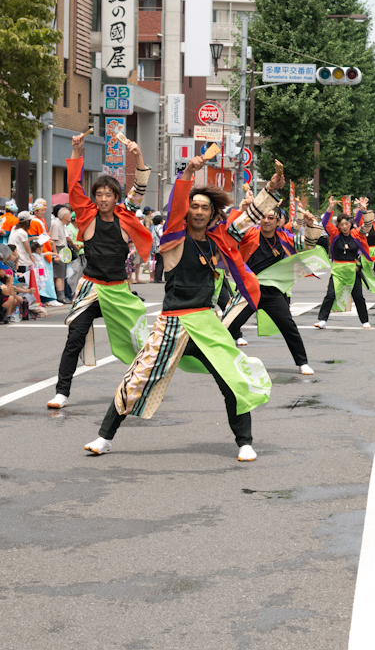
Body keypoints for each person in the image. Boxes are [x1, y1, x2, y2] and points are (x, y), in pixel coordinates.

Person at [83, 156, 282, 461]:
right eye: (194, 206)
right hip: (172, 323)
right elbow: (175, 207)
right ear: (186, 211)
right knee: (137, 378)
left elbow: (247, 219)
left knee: (231, 379)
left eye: (205, 207)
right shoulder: (174, 239)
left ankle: (245, 441)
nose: (199, 211)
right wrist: (187, 174)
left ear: (212, 213)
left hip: (205, 322)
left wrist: (270, 189)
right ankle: (104, 437)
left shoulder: (217, 241)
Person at [46, 134, 153, 409]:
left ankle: (142, 387)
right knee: (74, 337)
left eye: (109, 194)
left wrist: (138, 153)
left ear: (116, 197)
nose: (104, 198)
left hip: (118, 289)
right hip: (91, 289)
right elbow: (73, 185)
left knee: (140, 340)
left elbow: (140, 184)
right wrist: (75, 150)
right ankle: (62, 392)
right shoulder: (87, 213)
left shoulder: (126, 213)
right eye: (99, 194)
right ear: (95, 197)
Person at [225, 206, 314, 374]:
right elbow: (232, 230)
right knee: (229, 325)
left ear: (279, 221)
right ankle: (217, 360)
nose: (266, 220)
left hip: (272, 292)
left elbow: (308, 245)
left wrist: (309, 226)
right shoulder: (250, 234)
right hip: (248, 290)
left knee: (288, 326)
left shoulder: (284, 237)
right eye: (263, 217)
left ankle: (302, 362)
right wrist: (244, 209)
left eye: (271, 218)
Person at [313, 197, 375, 329]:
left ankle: (365, 321)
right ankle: (322, 320)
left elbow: (368, 226)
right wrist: (330, 208)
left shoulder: (357, 233)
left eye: (346, 224)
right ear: (338, 226)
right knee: (330, 294)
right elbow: (325, 222)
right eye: (341, 224)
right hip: (338, 269)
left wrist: (363, 210)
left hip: (353, 269)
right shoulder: (334, 234)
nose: (344, 226)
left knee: (358, 296)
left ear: (350, 224)